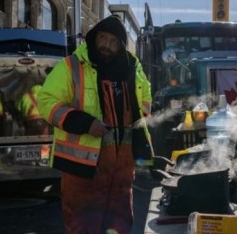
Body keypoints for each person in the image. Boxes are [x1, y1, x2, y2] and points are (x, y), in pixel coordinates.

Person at [37, 15, 154, 234]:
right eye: (103, 38)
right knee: (84, 223)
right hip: (83, 163)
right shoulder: (72, 65)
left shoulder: (132, 66)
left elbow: (145, 95)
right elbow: (46, 101)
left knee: (120, 222)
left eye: (113, 41)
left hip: (123, 164)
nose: (107, 45)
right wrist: (85, 123)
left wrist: (143, 117)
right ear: (94, 38)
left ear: (120, 45)